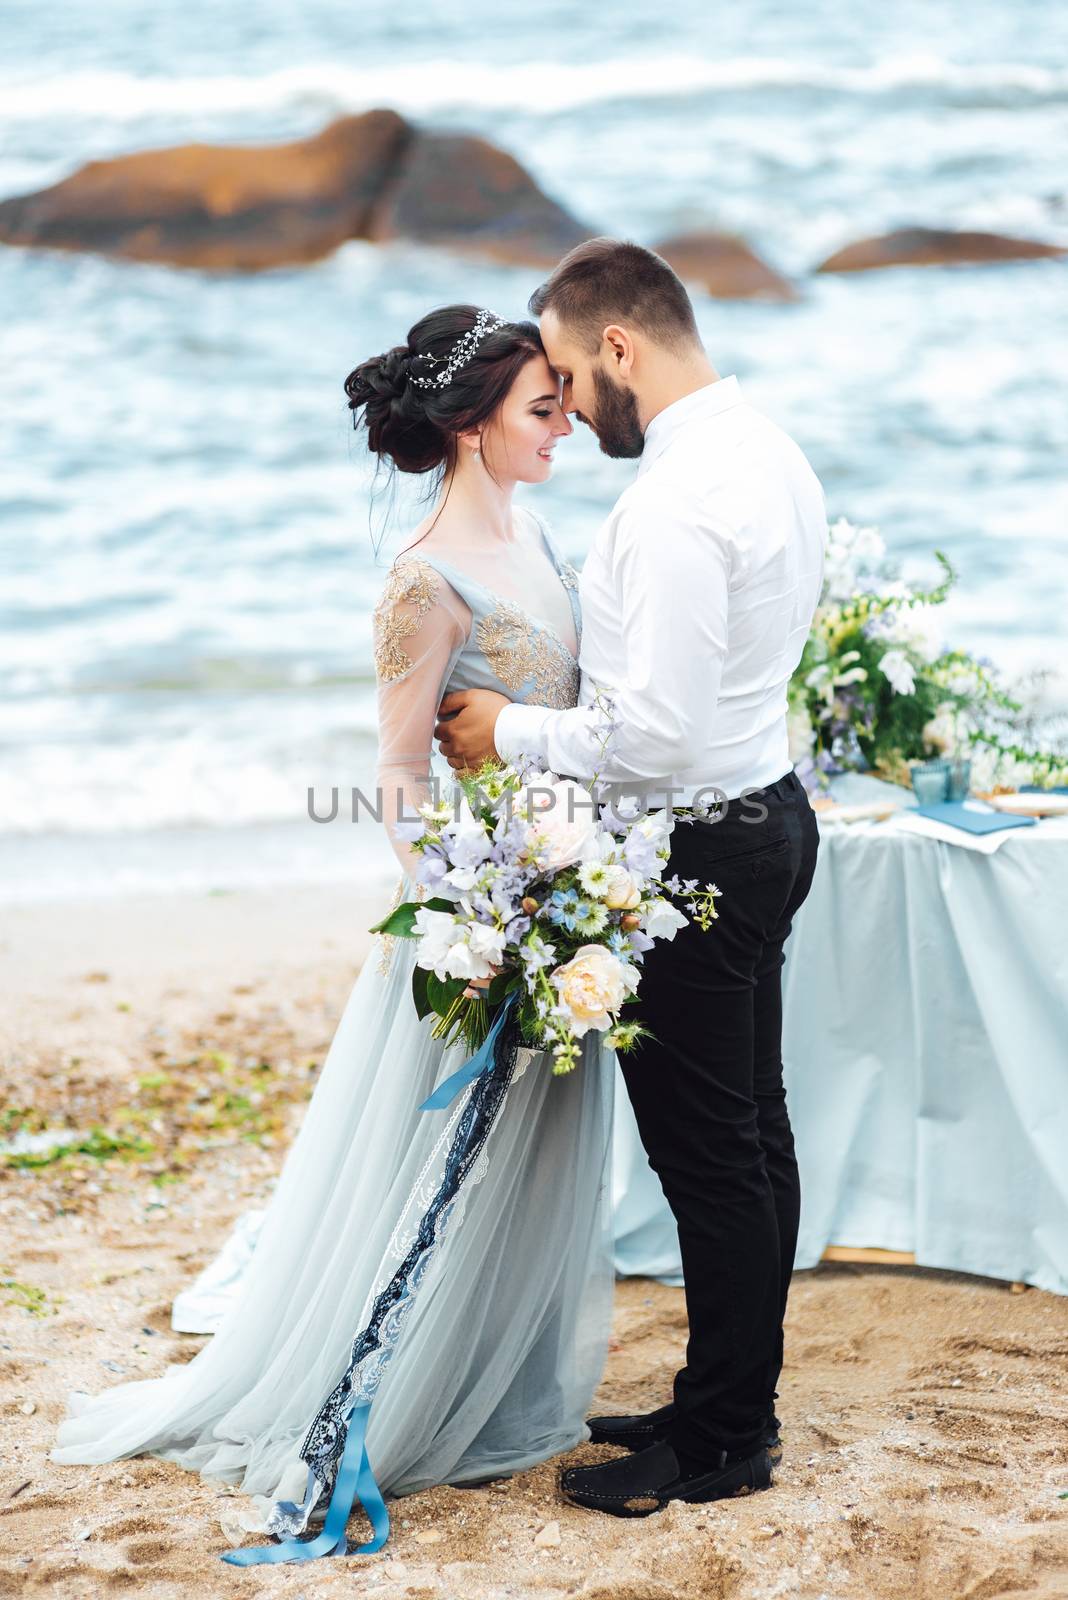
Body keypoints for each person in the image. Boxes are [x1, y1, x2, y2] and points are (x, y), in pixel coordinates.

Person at [49, 306, 617, 1564]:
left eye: (564, 403)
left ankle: (500, 1380)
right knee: (434, 1174)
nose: (566, 423)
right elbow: (400, 776)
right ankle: (404, 1389)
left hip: (571, 905)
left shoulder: (541, 533)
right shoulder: (422, 580)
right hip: (480, 928)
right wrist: (468, 918)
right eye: (542, 408)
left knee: (542, 1161)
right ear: (472, 427)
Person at [434, 239, 827, 1518]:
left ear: (619, 349)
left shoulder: (667, 505)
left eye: (562, 370)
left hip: (701, 847)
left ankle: (722, 1439)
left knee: (713, 1159)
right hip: (767, 813)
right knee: (750, 1138)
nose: (560, 401)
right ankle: (728, 1401)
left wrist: (509, 731)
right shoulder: (766, 447)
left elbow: (649, 736)